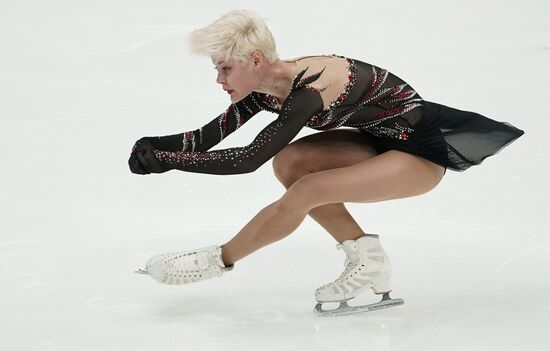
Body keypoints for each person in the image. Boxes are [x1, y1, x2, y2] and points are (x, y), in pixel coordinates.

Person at [129, 9, 525, 316]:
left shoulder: (311, 86)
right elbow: (206, 138)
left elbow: (248, 159)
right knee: (291, 162)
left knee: (309, 189)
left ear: (253, 60)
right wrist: (152, 146)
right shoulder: (266, 89)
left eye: (224, 68)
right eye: (217, 69)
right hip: (377, 143)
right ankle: (368, 259)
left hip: (420, 155)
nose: (219, 79)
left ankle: (218, 260)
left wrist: (170, 161)